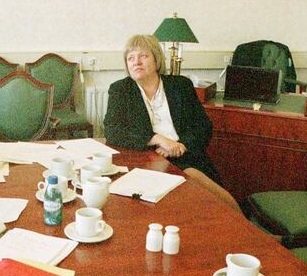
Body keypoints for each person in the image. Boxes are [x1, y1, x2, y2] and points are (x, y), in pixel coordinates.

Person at [104, 34, 242, 213]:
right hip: (147, 160)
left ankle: (248, 228)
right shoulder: (120, 90)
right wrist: (157, 139)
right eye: (131, 58)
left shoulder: (180, 86)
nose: (136, 62)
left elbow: (203, 126)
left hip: (185, 155)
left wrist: (180, 145)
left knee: (197, 180)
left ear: (156, 59)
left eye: (143, 56)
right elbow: (112, 130)